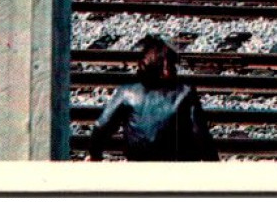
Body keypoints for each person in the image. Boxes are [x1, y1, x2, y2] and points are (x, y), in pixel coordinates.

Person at [87, 35, 217, 161]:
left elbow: (101, 126)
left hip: (138, 168)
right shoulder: (185, 92)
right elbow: (201, 135)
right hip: (178, 171)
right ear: (167, 66)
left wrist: (95, 155)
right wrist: (213, 165)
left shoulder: (126, 92)